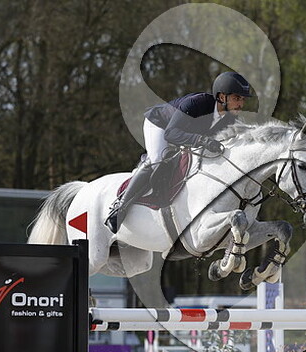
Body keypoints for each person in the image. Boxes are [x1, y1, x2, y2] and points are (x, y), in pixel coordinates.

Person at [106, 71, 253, 233]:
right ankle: (119, 207)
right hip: (161, 125)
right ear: (222, 97)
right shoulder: (197, 103)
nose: (241, 104)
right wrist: (202, 140)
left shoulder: (230, 118)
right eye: (237, 98)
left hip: (184, 135)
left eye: (243, 99)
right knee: (157, 159)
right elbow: (171, 133)